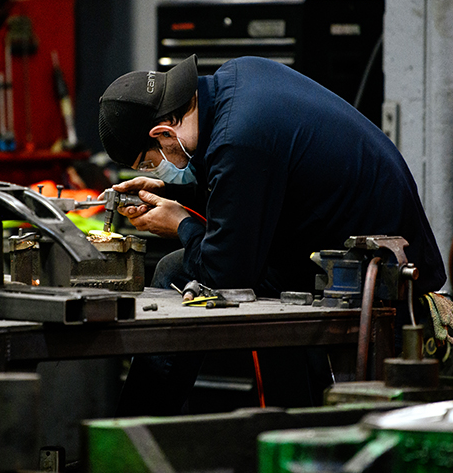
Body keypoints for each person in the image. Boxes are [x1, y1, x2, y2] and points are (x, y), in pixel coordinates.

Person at [97, 55, 446, 415]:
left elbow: (224, 274)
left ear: (164, 134)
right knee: (187, 268)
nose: (159, 169)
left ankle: (133, 433)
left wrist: (180, 224)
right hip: (333, 234)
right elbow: (245, 186)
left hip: (367, 263)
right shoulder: (237, 76)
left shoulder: (239, 141)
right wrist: (174, 194)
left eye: (150, 162)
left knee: (180, 272)